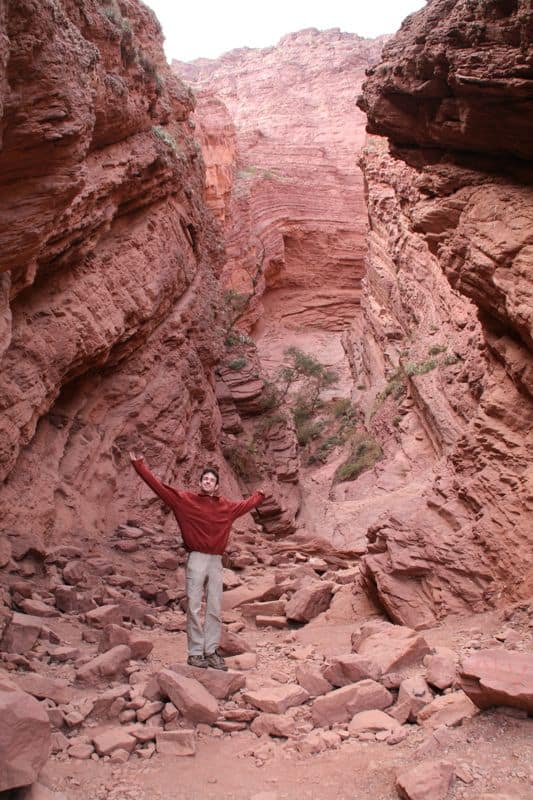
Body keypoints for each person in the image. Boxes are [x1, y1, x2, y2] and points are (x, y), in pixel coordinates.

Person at [129, 452, 265, 670]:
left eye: (212, 480)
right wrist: (139, 465)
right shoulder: (185, 501)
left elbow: (246, 504)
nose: (208, 482)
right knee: (193, 606)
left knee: (214, 608)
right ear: (201, 483)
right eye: (205, 479)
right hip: (196, 559)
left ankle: (210, 651)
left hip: (216, 561)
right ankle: (195, 653)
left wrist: (260, 495)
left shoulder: (226, 507)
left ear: (217, 485)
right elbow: (160, 488)